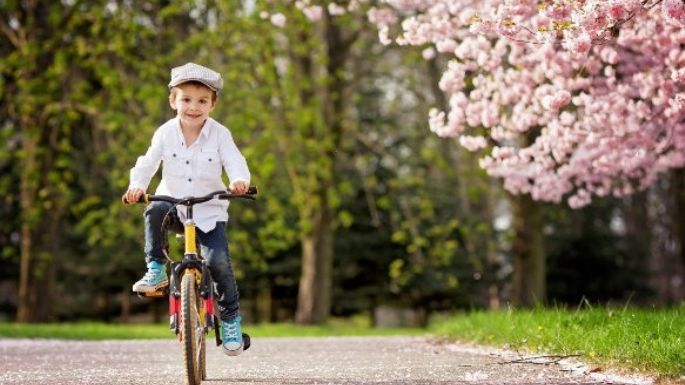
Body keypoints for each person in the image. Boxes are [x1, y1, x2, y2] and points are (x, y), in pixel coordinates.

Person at [124, 62, 250, 356]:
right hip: (174, 204)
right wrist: (137, 186)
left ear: (212, 104)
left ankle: (230, 319)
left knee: (218, 261)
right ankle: (156, 269)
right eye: (186, 100)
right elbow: (148, 162)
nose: (194, 107)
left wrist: (240, 180)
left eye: (202, 101)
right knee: (154, 209)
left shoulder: (220, 134)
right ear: (173, 101)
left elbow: (234, 160)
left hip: (208, 209)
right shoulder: (165, 133)